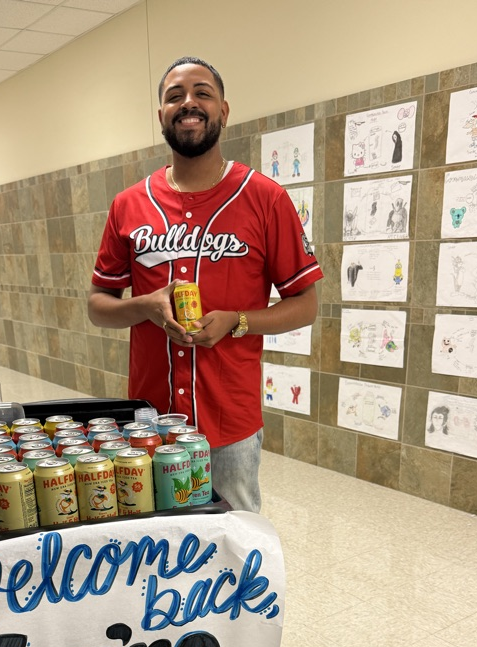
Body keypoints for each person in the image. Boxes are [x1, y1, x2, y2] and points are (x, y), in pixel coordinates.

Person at [87, 56, 323, 512]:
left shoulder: (265, 198)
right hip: (150, 425)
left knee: (234, 549)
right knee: (156, 553)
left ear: (224, 110)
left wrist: (238, 321)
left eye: (202, 93)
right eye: (174, 96)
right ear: (161, 116)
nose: (188, 103)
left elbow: (305, 305)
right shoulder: (128, 205)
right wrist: (147, 307)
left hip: (229, 422)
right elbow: (98, 305)